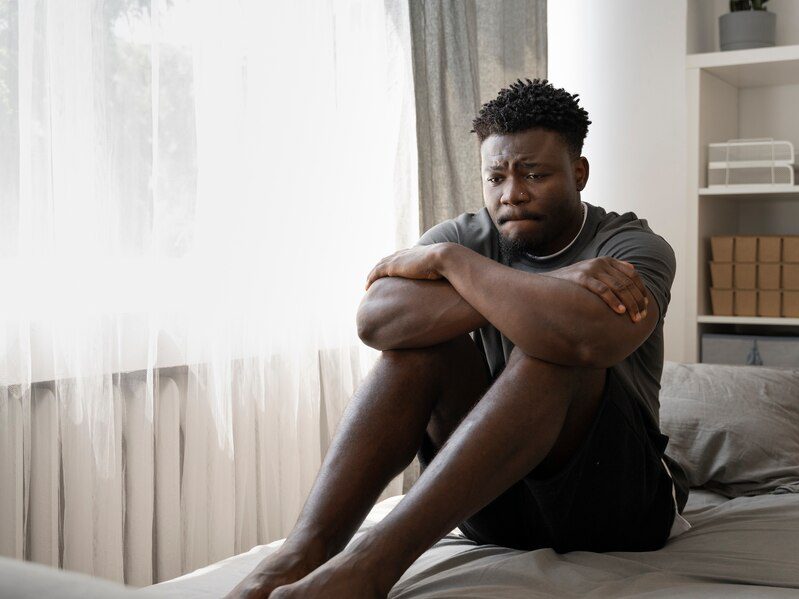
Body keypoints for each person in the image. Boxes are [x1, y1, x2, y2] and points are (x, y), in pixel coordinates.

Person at [228, 79, 689, 599]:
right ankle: (304, 550)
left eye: (534, 174)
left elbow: (588, 340)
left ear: (578, 173)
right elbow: (376, 321)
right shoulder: (466, 240)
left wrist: (452, 271)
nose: (511, 194)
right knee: (421, 349)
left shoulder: (633, 245)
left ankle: (374, 563)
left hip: (614, 505)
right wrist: (496, 268)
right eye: (495, 177)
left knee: (554, 350)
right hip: (492, 503)